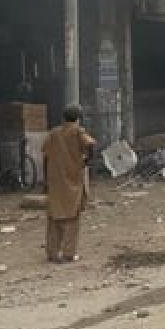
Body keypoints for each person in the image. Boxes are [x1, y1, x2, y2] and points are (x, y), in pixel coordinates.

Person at [41, 105, 96, 264]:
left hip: (55, 180)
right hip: (72, 179)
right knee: (72, 218)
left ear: (63, 117)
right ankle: (68, 253)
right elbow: (91, 145)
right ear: (78, 118)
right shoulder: (78, 131)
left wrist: (45, 179)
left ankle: (52, 252)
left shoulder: (53, 133)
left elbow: (45, 157)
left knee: (54, 217)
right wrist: (86, 161)